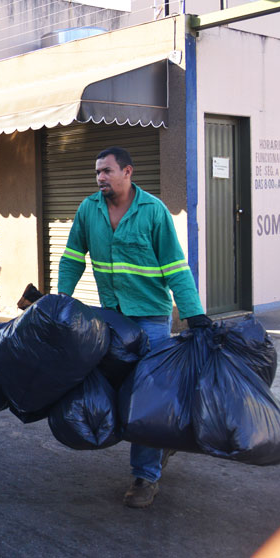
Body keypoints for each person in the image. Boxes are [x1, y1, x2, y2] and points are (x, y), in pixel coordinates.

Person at [58, 146, 211, 509]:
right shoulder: (88, 210)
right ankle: (161, 441)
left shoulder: (153, 211)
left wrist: (195, 315)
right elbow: (72, 257)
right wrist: (61, 299)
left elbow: (176, 267)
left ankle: (145, 476)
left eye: (107, 171)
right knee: (111, 386)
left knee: (148, 394)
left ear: (128, 172)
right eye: (97, 172)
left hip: (150, 317)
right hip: (112, 315)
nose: (100, 178)